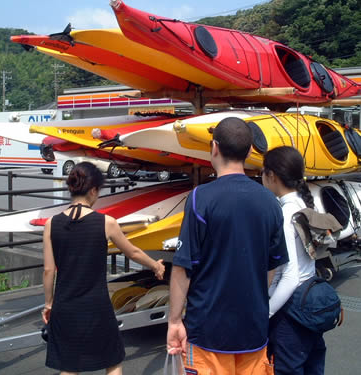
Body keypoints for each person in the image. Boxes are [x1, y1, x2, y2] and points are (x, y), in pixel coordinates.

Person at [167, 117, 289, 375]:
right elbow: (272, 267)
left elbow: (183, 267)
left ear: (214, 148)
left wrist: (175, 320)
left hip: (208, 330)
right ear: (248, 152)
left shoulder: (201, 197)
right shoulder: (271, 202)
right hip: (253, 329)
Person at [42, 161, 165, 375]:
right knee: (113, 361)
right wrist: (155, 265)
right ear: (93, 190)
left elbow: (48, 271)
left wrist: (49, 303)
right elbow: (133, 252)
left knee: (69, 367)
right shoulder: (106, 222)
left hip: (65, 305)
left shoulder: (51, 224)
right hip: (96, 306)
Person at [262, 146, 325, 374]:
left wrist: (265, 313)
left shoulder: (285, 215)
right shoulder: (304, 205)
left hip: (291, 312)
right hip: (309, 303)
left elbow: (289, 276)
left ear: (272, 176)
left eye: (263, 171)